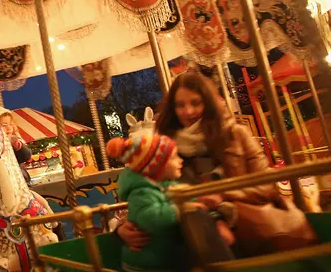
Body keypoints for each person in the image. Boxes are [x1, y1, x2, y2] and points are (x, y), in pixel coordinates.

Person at [118, 71, 317, 256]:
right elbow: (146, 190)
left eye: (196, 103)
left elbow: (266, 186)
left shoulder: (235, 135)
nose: (188, 111)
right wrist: (122, 227)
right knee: (193, 220)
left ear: (208, 103)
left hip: (244, 219)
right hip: (192, 228)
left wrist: (222, 196)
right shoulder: (164, 147)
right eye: (180, 105)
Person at [106, 131, 200, 272]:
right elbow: (152, 218)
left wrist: (197, 200)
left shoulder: (165, 184)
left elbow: (183, 195)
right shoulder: (142, 192)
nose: (181, 161)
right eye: (174, 158)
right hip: (147, 268)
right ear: (158, 166)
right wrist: (181, 209)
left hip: (162, 260)